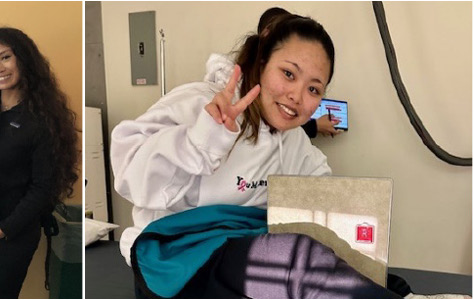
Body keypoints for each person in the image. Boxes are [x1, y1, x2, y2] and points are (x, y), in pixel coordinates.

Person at [110, 7, 463, 299]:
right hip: (178, 255)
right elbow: (128, 174)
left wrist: (355, 241)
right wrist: (199, 140)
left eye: (313, 88)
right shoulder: (199, 103)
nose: (297, 95)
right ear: (262, 61)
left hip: (243, 249)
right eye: (288, 74)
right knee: (289, 256)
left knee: (380, 277)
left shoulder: (294, 142)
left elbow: (320, 193)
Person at [0, 27, 80, 298]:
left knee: (3, 292)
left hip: (15, 227)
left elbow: (43, 188)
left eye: (6, 57)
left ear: (23, 59)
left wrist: (2, 230)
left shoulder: (43, 120)